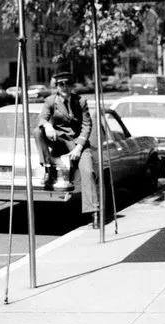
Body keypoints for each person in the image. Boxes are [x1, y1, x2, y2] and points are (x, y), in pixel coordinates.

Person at [33, 71, 100, 229]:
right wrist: (48, 125)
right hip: (60, 141)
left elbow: (86, 126)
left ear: (72, 86)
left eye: (68, 84)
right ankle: (48, 168)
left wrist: (78, 148)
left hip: (78, 144)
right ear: (57, 86)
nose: (64, 87)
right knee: (38, 131)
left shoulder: (81, 101)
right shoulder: (50, 101)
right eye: (61, 84)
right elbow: (41, 117)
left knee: (88, 171)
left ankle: (94, 212)